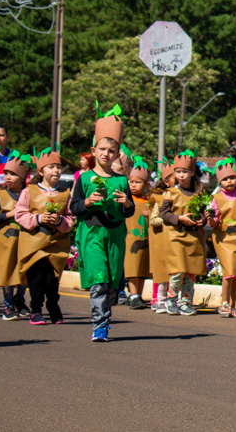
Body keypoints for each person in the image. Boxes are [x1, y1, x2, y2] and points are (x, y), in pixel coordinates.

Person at [69, 111, 135, 341]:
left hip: (115, 234)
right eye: (102, 150)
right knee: (99, 278)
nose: (106, 154)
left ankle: (107, 309)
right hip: (92, 233)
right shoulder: (84, 179)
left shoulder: (122, 181)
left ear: (117, 154)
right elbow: (74, 207)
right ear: (94, 151)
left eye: (112, 151)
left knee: (112, 283)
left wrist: (126, 202)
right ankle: (100, 325)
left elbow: (130, 211)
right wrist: (87, 202)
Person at [14, 147, 74, 325]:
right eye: (51, 167)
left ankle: (53, 304)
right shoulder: (28, 191)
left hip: (56, 243)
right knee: (36, 277)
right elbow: (20, 214)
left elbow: (70, 218)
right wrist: (38, 218)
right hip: (33, 242)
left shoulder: (65, 193)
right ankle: (35, 309)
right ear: (41, 171)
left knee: (52, 278)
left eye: (58, 167)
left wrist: (59, 221)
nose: (55, 170)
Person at [158, 151, 207, 317]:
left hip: (194, 237)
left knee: (190, 272)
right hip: (176, 237)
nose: (181, 175)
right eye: (178, 172)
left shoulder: (200, 193)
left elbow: (205, 212)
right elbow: (163, 213)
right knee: (178, 271)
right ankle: (171, 300)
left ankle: (186, 302)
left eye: (184, 172)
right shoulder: (170, 192)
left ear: (192, 173)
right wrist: (179, 218)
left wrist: (202, 219)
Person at [0, 153, 31, 320]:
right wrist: (10, 215)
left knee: (23, 271)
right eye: (6, 173)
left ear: (22, 178)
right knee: (8, 272)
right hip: (6, 241)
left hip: (25, 239)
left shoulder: (28, 194)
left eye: (13, 174)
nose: (8, 177)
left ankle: (19, 300)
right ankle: (7, 305)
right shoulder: (0, 195)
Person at [208, 158, 236, 318]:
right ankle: (224, 302)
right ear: (220, 182)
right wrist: (210, 219)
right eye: (225, 179)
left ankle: (233, 304)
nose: (229, 181)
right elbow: (214, 221)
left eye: (232, 178)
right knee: (229, 271)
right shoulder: (216, 198)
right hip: (224, 239)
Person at [123, 158, 153, 310]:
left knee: (142, 268)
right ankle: (133, 295)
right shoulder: (126, 200)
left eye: (138, 182)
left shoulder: (149, 201)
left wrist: (150, 214)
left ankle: (138, 295)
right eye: (131, 182)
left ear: (146, 184)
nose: (133, 185)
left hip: (146, 239)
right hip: (130, 238)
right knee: (132, 267)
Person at [147, 160, 175, 312]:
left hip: (176, 239)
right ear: (166, 181)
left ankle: (173, 298)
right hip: (162, 239)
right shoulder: (159, 197)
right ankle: (160, 297)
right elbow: (153, 219)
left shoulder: (181, 195)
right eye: (174, 176)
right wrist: (169, 219)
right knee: (162, 269)